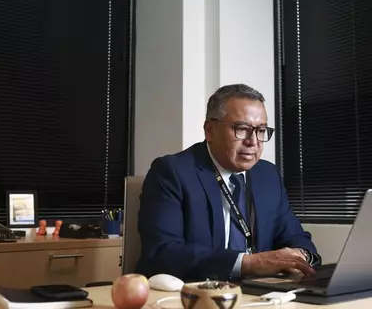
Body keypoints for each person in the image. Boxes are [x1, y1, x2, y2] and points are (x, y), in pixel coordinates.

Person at [136, 84, 321, 281]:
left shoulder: (267, 175)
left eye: (261, 130)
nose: (253, 141)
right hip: (195, 295)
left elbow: (296, 236)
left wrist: (300, 256)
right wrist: (249, 263)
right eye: (242, 129)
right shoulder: (172, 172)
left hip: (259, 295)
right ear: (210, 130)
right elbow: (163, 253)